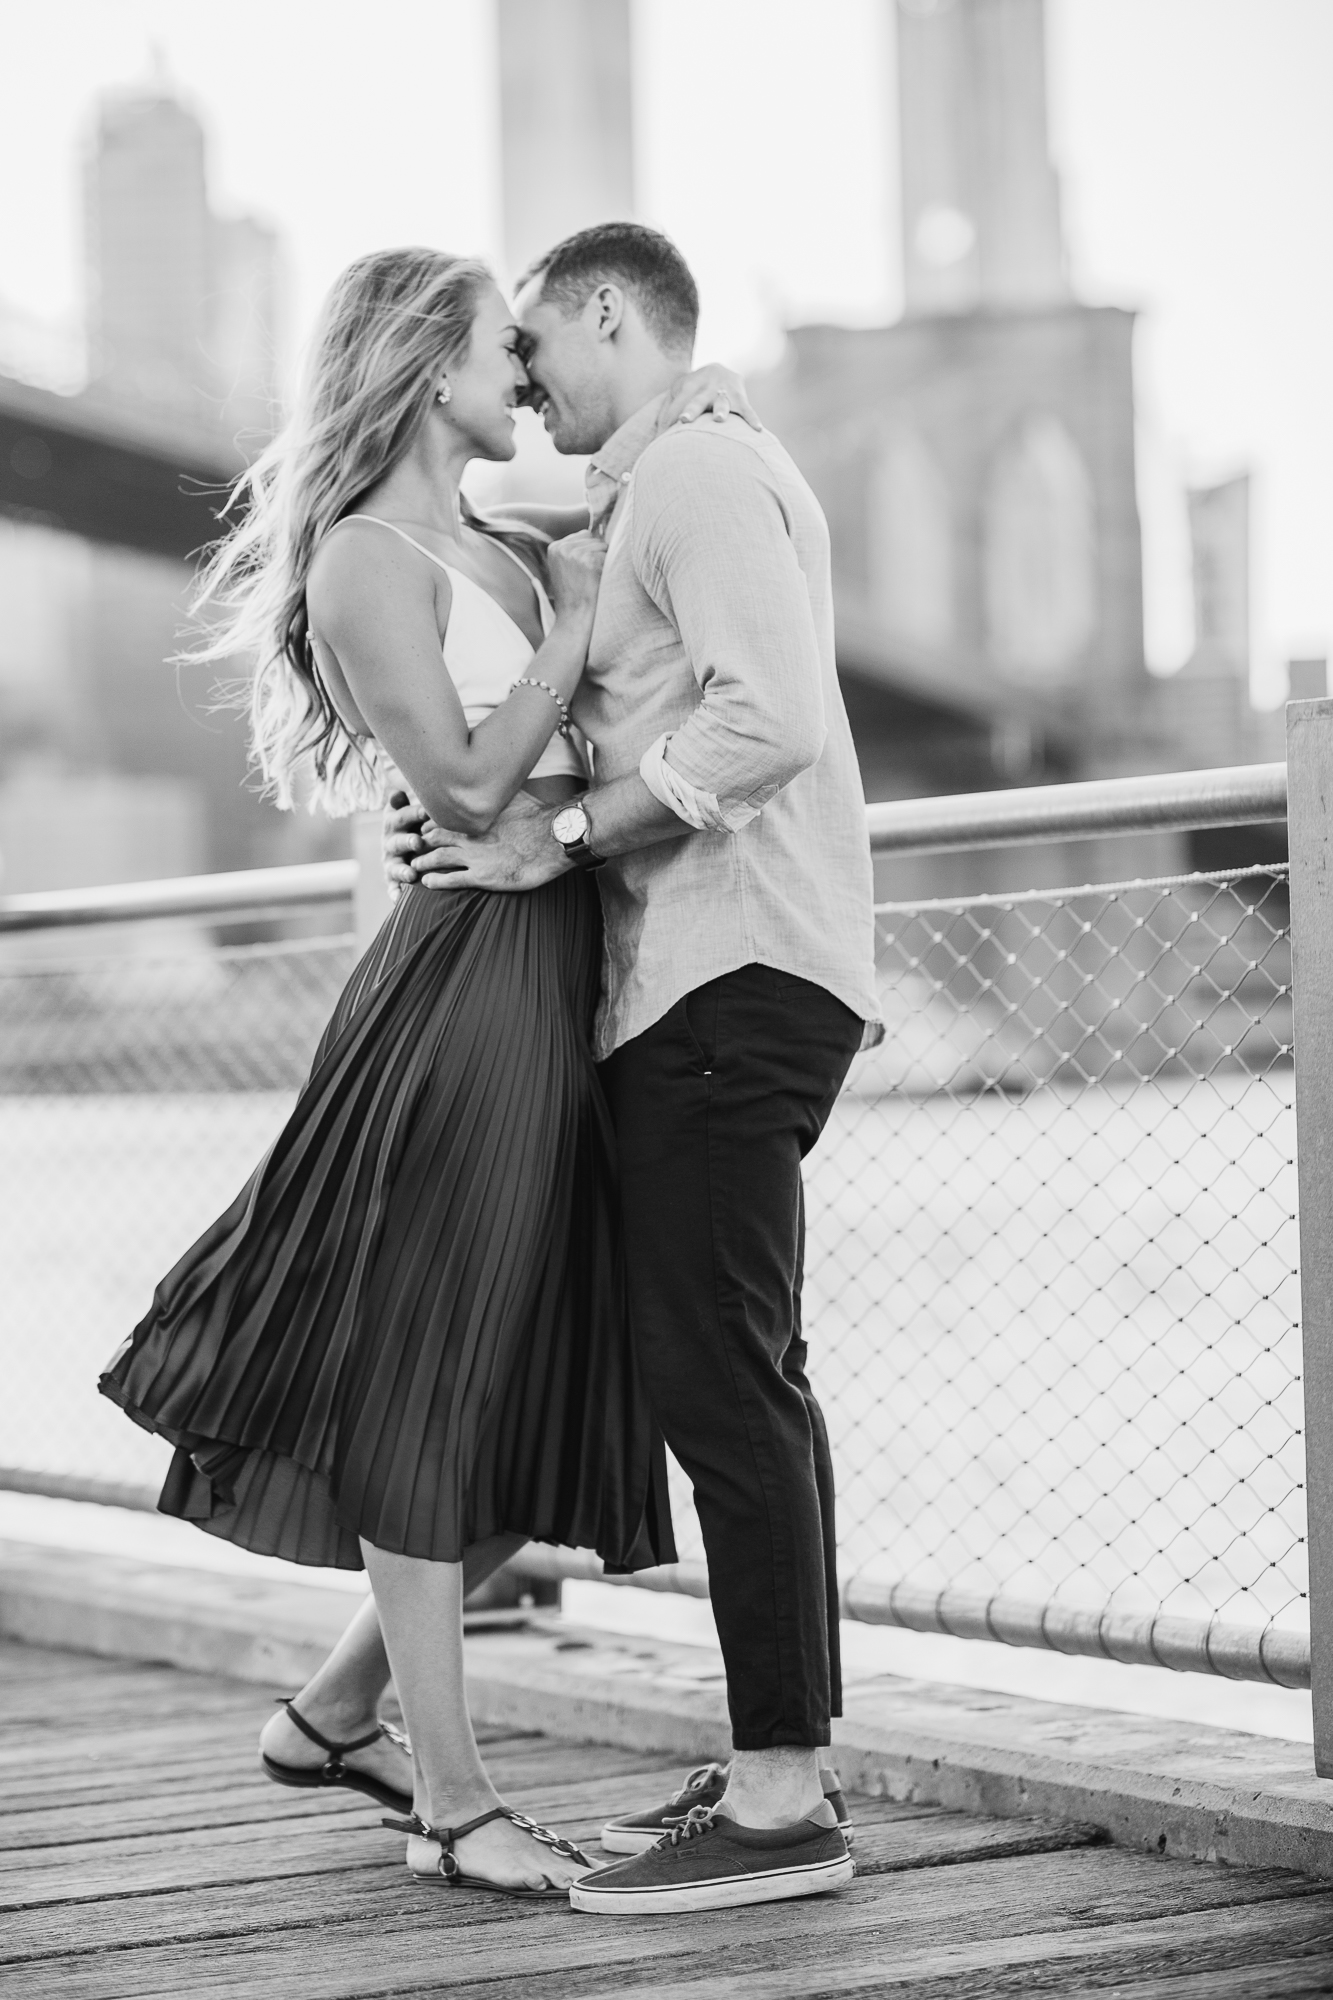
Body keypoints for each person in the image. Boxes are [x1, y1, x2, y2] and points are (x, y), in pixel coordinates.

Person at [99, 244, 748, 1899]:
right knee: (436, 1380)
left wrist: (586, 608)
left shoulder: (499, 539)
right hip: (463, 996)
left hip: (557, 978)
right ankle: (448, 1803)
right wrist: (570, 635)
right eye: (492, 350)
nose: (520, 374)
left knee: (549, 1398)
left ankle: (331, 1715)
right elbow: (461, 783)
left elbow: (556, 749)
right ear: (414, 366)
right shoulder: (361, 562)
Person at [387, 221, 883, 1915]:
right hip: (736, 971)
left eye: (536, 343)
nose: (522, 375)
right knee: (750, 1372)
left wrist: (565, 835)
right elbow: (673, 681)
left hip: (725, 974)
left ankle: (775, 1805)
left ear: (611, 312)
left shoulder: (691, 481)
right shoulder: (677, 483)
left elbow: (770, 721)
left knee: (718, 1382)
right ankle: (779, 1765)